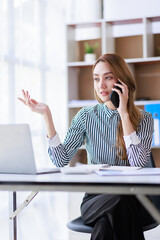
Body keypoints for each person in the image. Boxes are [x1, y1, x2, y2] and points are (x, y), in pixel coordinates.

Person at [18, 53, 156, 240]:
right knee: (121, 201)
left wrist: (123, 114)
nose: (101, 85)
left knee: (107, 222)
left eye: (108, 77)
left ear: (122, 80)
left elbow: (139, 161)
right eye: (96, 79)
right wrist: (47, 116)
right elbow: (61, 159)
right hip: (96, 200)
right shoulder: (86, 117)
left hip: (134, 198)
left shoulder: (144, 119)